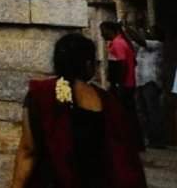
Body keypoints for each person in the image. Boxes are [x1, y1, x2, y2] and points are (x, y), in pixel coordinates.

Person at [11, 32, 145, 188]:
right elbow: (124, 156)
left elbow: (28, 150)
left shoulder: (40, 95)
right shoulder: (108, 102)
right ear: (88, 65)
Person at [102, 21, 143, 149]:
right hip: (127, 83)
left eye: (103, 31)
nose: (102, 34)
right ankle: (135, 142)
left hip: (123, 84)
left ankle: (130, 142)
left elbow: (122, 64)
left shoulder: (118, 43)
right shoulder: (121, 43)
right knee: (129, 114)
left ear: (110, 30)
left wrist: (118, 84)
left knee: (124, 115)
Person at [131, 26, 166, 147]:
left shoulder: (157, 44)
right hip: (140, 82)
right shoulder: (142, 48)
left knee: (153, 112)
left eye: (150, 31)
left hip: (151, 82)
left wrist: (125, 26)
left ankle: (158, 140)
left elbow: (139, 39)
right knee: (142, 112)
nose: (147, 32)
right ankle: (149, 138)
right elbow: (132, 41)